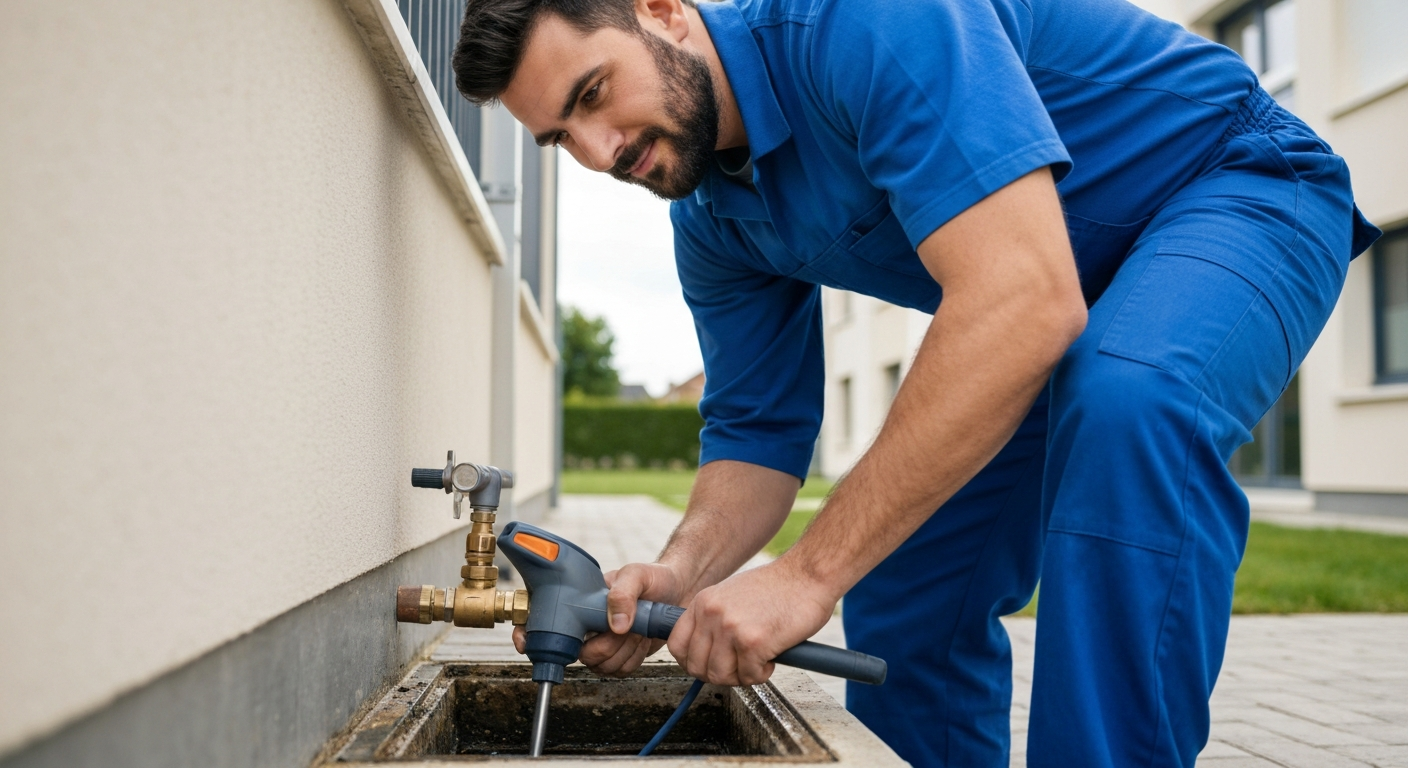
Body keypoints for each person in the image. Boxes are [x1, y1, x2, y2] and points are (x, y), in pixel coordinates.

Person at [451, 0, 1380, 764]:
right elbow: (757, 436)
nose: (601, 149)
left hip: (1239, 184)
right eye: (559, 136)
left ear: (662, 11)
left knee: (1131, 402)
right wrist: (679, 574)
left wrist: (807, 575)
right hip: (1062, 303)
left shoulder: (865, 22)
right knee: (903, 583)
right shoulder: (711, 218)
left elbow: (1021, 297)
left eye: (595, 93)